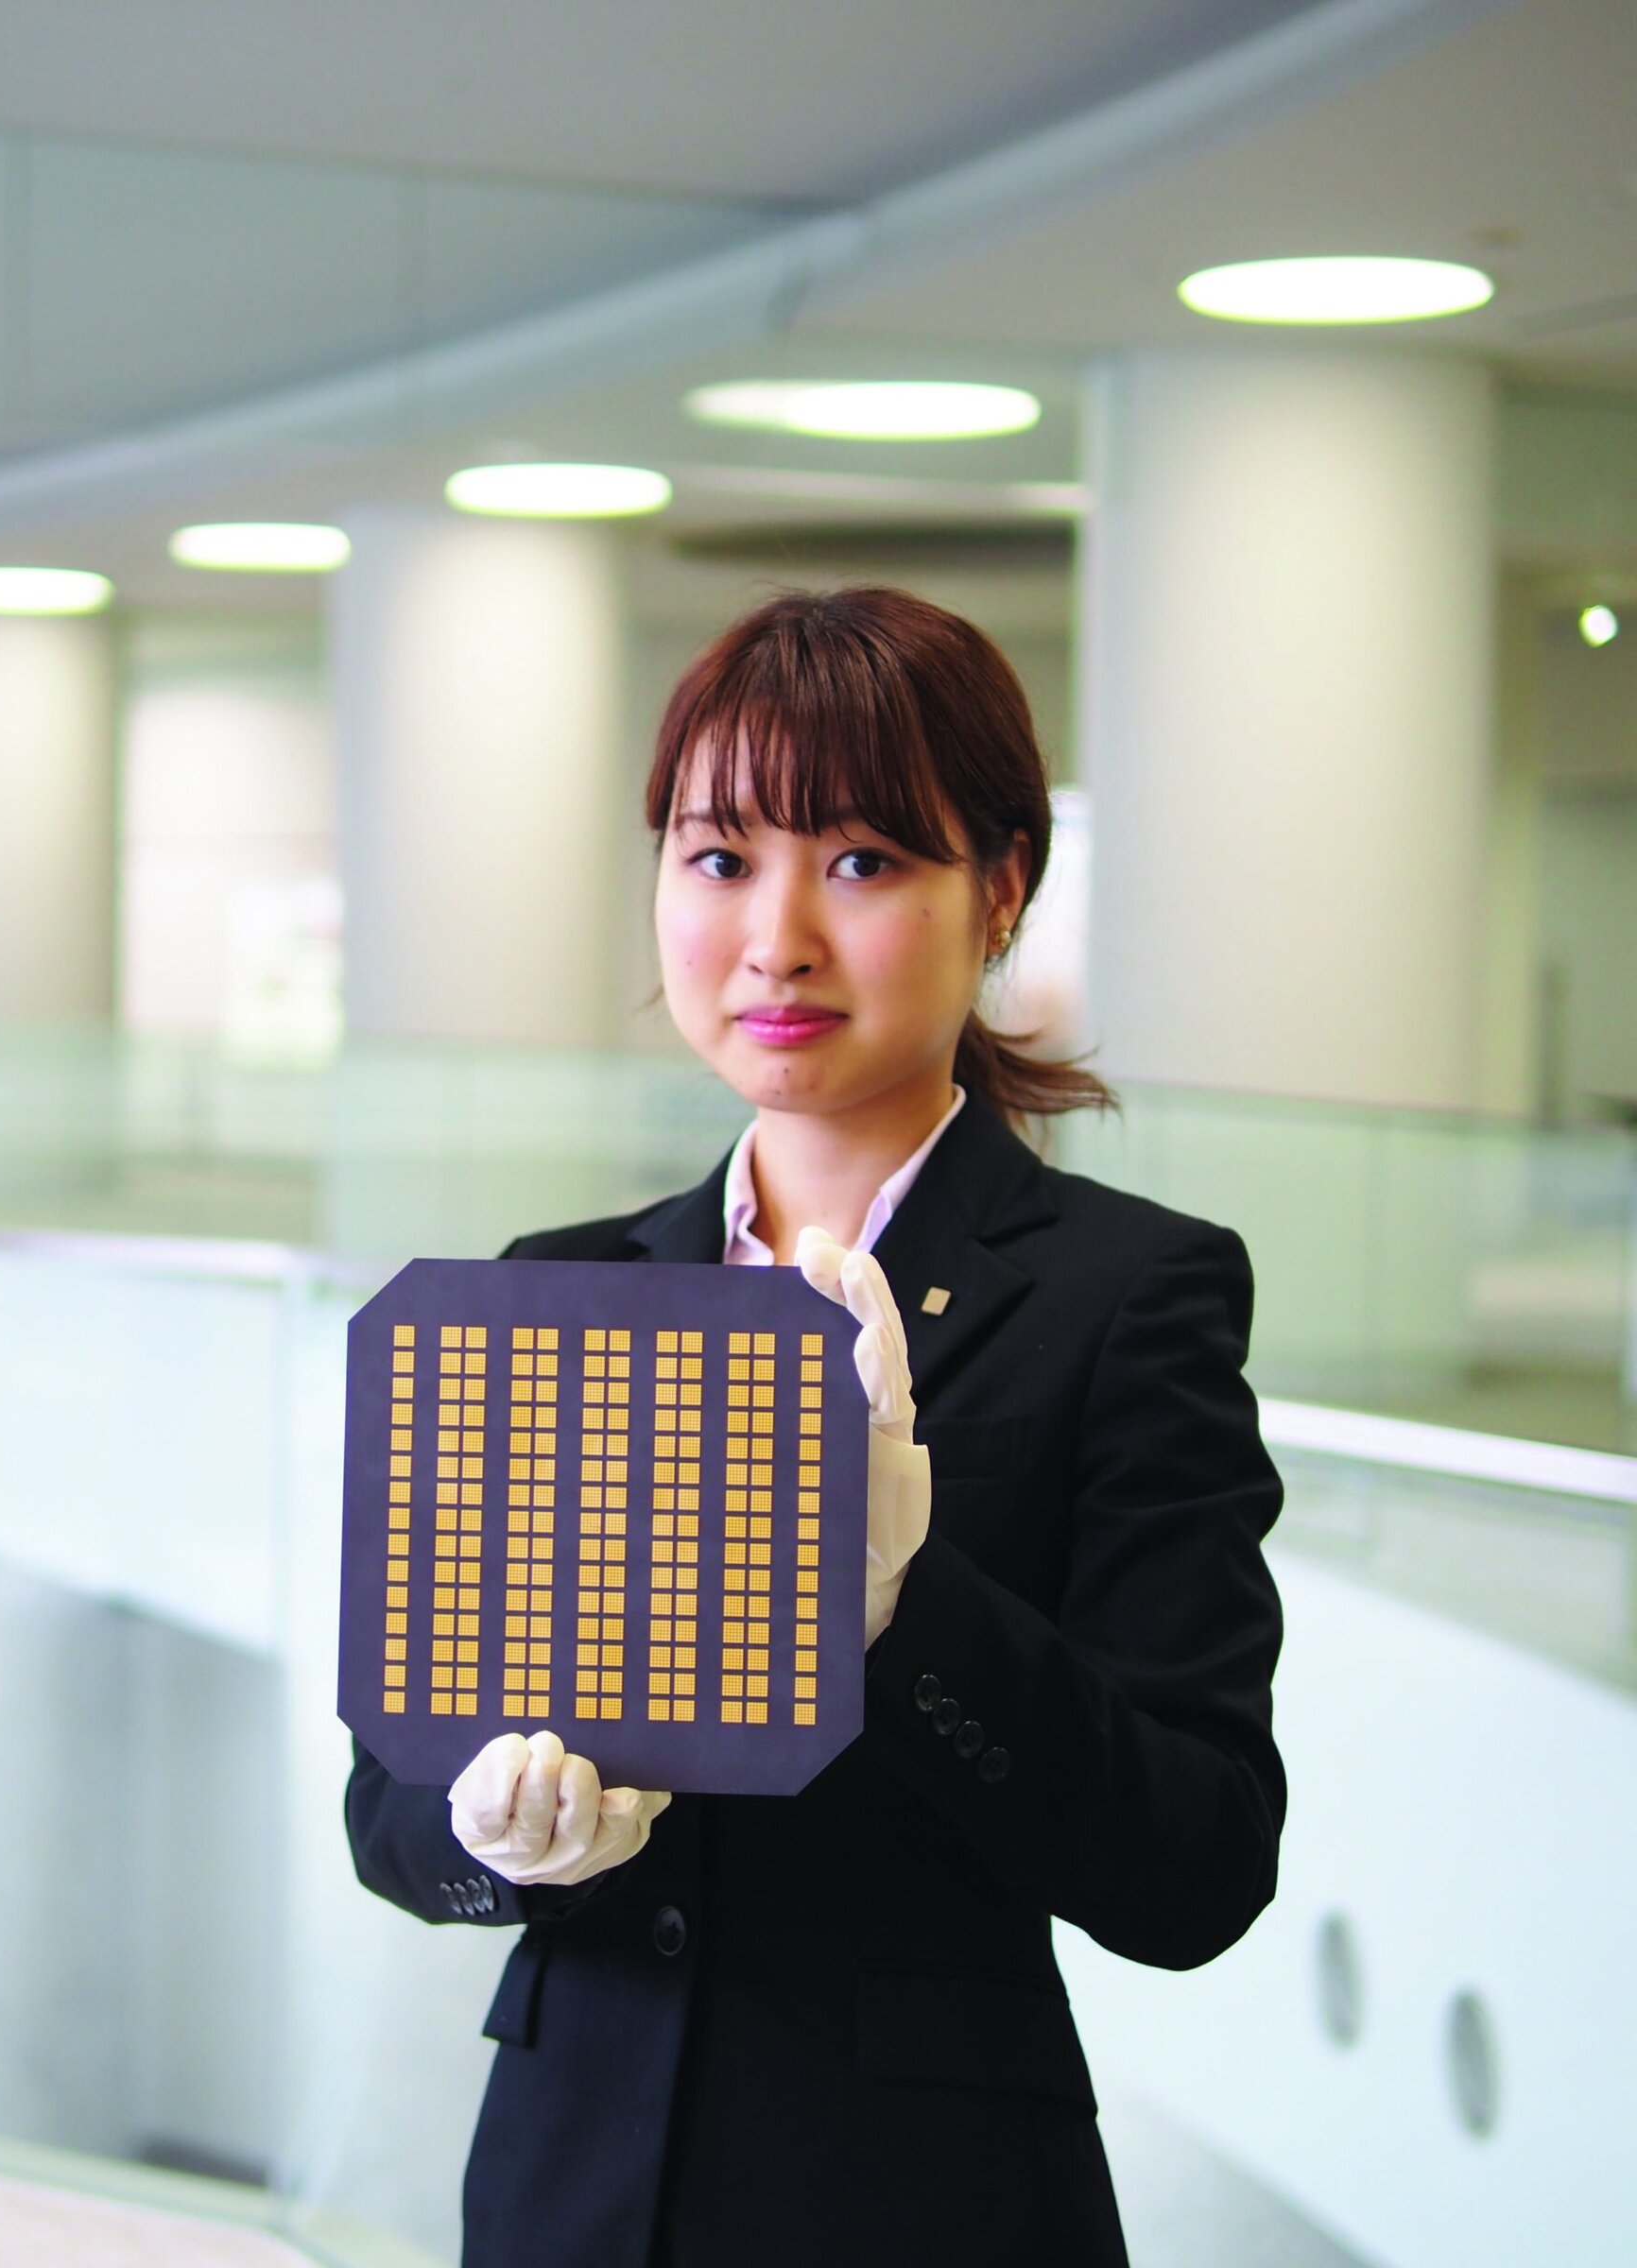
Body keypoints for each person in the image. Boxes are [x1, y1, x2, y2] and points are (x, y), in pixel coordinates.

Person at [343, 587, 1286, 2267]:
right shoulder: (558, 1293)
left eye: (859, 860)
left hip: (919, 2206)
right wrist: (501, 1842)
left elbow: (1194, 1862)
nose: (774, 937)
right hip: (568, 2193)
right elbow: (391, 1813)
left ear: (1000, 886)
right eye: (718, 859)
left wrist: (895, 1607)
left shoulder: (1129, 1295)